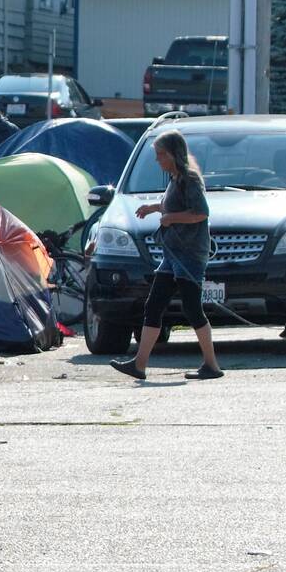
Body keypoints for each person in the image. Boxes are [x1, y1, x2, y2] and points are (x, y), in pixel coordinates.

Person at [112, 129, 223, 382]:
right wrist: (154, 207)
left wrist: (171, 218)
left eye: (160, 154)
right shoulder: (175, 179)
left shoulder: (190, 179)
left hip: (189, 256)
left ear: (173, 154)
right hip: (172, 255)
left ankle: (212, 365)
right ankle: (139, 364)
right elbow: (175, 204)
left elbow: (200, 213)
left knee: (193, 309)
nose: (157, 160)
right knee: (154, 305)